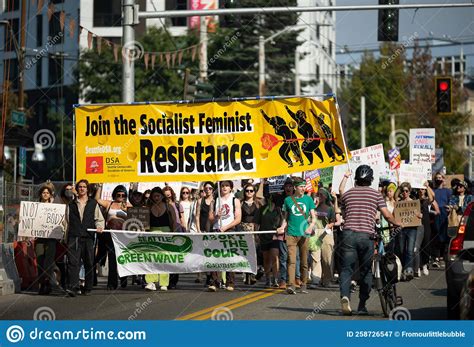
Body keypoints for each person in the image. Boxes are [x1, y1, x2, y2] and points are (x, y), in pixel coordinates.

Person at [338, 166, 402, 315]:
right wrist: (397, 223)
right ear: (371, 180)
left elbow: (344, 213)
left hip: (348, 235)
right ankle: (361, 305)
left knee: (346, 269)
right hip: (366, 236)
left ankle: (345, 297)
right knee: (366, 271)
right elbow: (386, 215)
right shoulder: (376, 195)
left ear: (356, 179)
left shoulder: (347, 195)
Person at [276, 177, 316, 295]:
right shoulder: (288, 200)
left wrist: (310, 226)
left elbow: (314, 217)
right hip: (291, 234)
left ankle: (303, 284)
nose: (303, 188)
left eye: (304, 186)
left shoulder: (308, 200)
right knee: (291, 260)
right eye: (300, 186)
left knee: (304, 261)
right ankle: (291, 285)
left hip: (304, 234)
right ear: (295, 187)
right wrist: (282, 227)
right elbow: (285, 218)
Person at [66, 179, 105, 297]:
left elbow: (99, 219)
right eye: (80, 187)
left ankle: (88, 287)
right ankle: (73, 287)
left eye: (84, 187)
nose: (82, 188)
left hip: (88, 237)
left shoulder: (93, 203)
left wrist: (99, 227)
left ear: (88, 189)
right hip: (74, 236)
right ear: (77, 189)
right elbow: (66, 221)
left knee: (89, 261)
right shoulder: (71, 204)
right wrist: (64, 236)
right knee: (73, 262)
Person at [95, 184, 132, 290]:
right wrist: (99, 187)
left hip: (123, 235)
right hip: (110, 234)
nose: (120, 196)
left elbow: (136, 216)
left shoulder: (128, 205)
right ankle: (112, 283)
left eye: (123, 195)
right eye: (118, 194)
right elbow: (97, 199)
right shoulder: (109, 204)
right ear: (114, 194)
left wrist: (126, 211)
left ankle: (124, 277)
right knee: (112, 257)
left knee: (123, 257)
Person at [208, 180, 242, 292]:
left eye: (227, 185)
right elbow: (211, 219)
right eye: (222, 185)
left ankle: (230, 282)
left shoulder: (235, 200)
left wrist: (226, 228)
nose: (224, 187)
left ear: (231, 187)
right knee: (215, 256)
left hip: (229, 230)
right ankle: (214, 282)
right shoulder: (215, 201)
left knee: (229, 256)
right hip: (216, 229)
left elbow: (238, 219)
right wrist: (216, 216)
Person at [144, 187, 177, 291]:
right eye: (154, 196)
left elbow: (174, 222)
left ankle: (164, 283)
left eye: (158, 195)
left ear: (162, 196)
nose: (156, 198)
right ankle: (150, 282)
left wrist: (173, 234)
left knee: (164, 259)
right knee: (151, 258)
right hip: (152, 234)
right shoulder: (148, 207)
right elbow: (144, 223)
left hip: (166, 234)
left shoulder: (169, 207)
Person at [35, 185, 63, 295]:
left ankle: (50, 282)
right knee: (40, 261)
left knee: (49, 261)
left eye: (47, 193)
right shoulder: (35, 206)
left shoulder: (55, 207)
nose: (45, 194)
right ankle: (42, 284)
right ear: (40, 194)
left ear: (50, 195)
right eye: (43, 192)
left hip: (51, 239)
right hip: (39, 238)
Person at [394, 182, 422, 281]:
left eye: (406, 191)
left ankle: (408, 270)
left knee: (410, 250)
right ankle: (401, 269)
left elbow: (420, 216)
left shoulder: (414, 202)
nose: (404, 193)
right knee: (401, 250)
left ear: (409, 192)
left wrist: (418, 215)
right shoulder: (399, 202)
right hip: (401, 229)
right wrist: (399, 186)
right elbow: (395, 196)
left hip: (412, 229)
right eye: (403, 191)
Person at [308, 188, 335, 289]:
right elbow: (309, 218)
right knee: (315, 257)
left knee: (327, 258)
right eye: (318, 194)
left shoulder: (330, 208)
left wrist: (328, 227)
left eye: (321, 194)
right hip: (315, 233)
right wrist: (314, 206)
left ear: (326, 196)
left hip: (326, 233)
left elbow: (333, 221)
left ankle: (327, 280)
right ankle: (316, 279)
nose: (319, 196)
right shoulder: (313, 207)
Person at [239, 183, 262, 285]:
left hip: (255, 230)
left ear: (254, 192)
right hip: (243, 229)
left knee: (254, 253)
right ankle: (245, 275)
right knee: (245, 252)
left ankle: (253, 274)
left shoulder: (258, 203)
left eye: (251, 191)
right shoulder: (240, 203)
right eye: (247, 190)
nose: (249, 192)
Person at [432, 172, 452, 267]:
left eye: (440, 177)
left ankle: (442, 257)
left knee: (444, 235)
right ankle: (436, 257)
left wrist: (450, 208)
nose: (439, 179)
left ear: (443, 179)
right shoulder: (433, 191)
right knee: (436, 234)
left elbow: (451, 202)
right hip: (436, 214)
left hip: (445, 214)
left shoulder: (448, 191)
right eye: (437, 178)